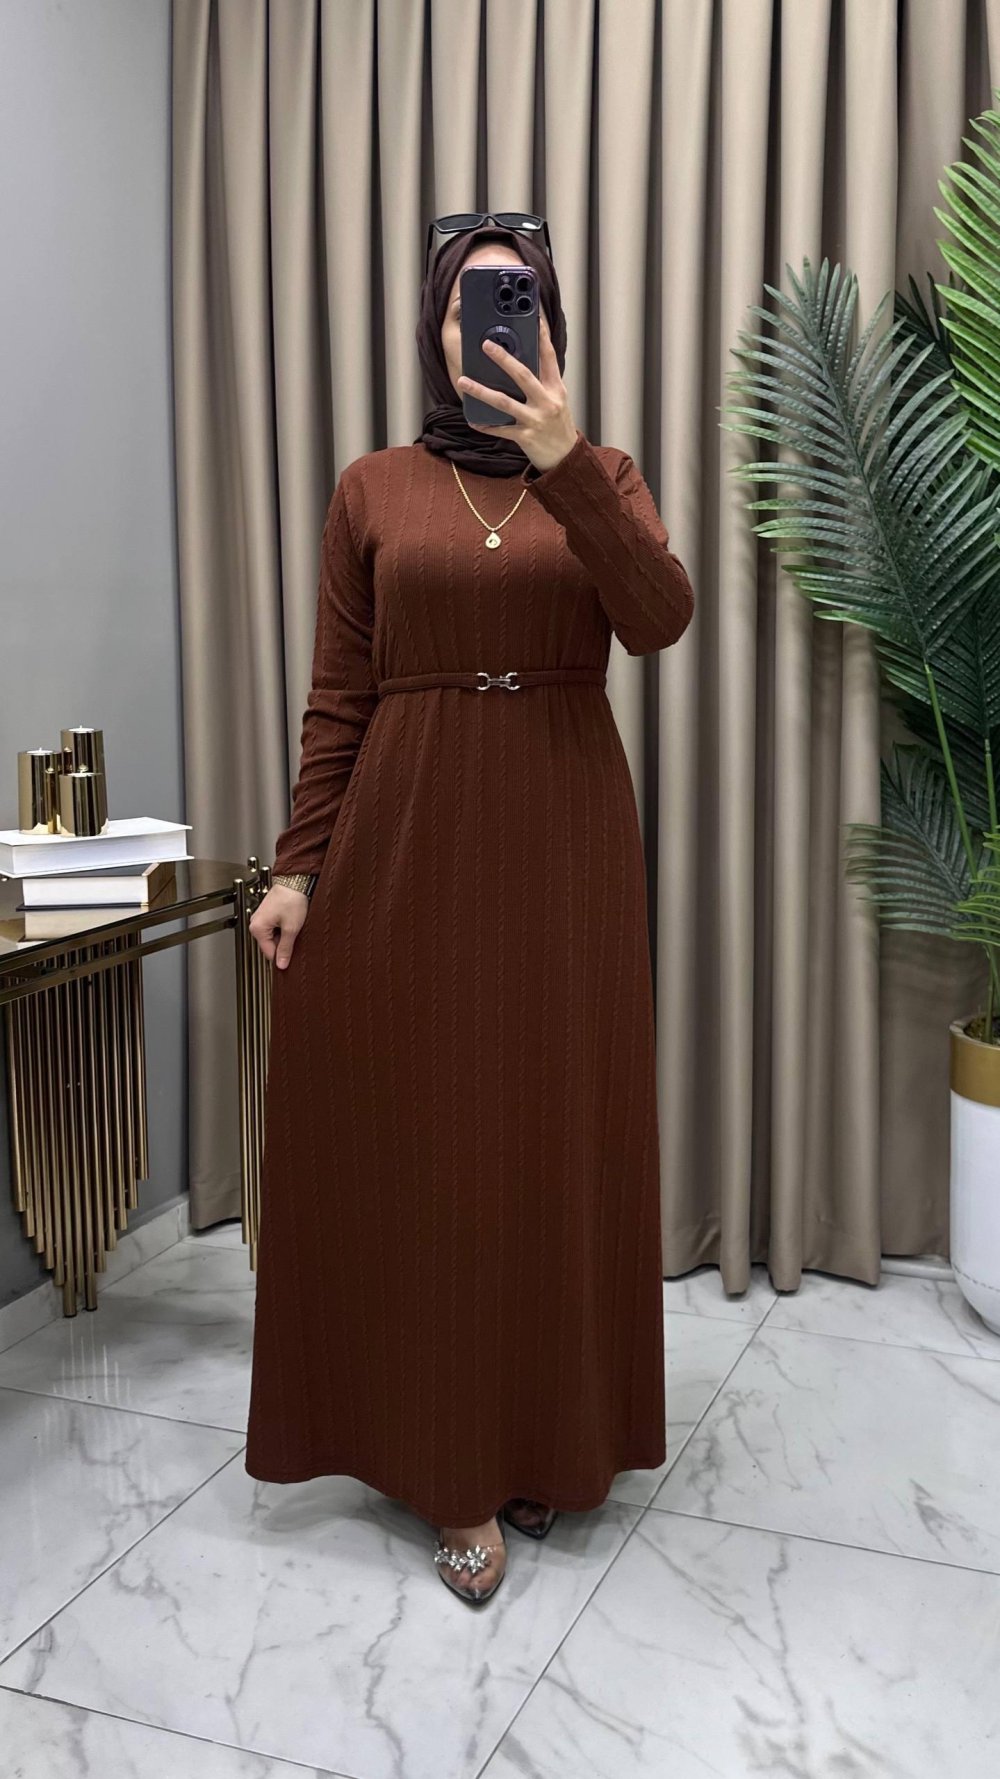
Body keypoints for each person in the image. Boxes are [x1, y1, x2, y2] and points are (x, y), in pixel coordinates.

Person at [244, 212, 695, 1607]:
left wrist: (569, 466)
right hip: (408, 836)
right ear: (435, 330)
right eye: (469, 301)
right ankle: (450, 1466)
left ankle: (544, 1436)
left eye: (520, 298)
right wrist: (297, 868)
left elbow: (659, 617)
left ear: (551, 324)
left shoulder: (603, 473)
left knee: (548, 1136)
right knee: (432, 1146)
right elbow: (339, 694)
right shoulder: (372, 487)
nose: (493, 322)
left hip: (562, 838)